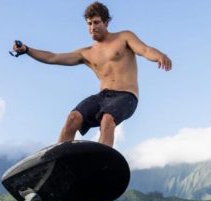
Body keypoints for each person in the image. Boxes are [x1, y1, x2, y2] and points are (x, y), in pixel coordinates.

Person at [13, 1, 172, 147]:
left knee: (107, 119)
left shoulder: (124, 37)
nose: (92, 27)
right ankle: (59, 163)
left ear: (106, 22)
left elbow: (145, 50)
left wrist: (159, 56)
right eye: (89, 24)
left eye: (96, 22)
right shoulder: (86, 53)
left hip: (126, 96)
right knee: (72, 118)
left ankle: (102, 164)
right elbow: (52, 57)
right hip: (102, 96)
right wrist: (27, 50)